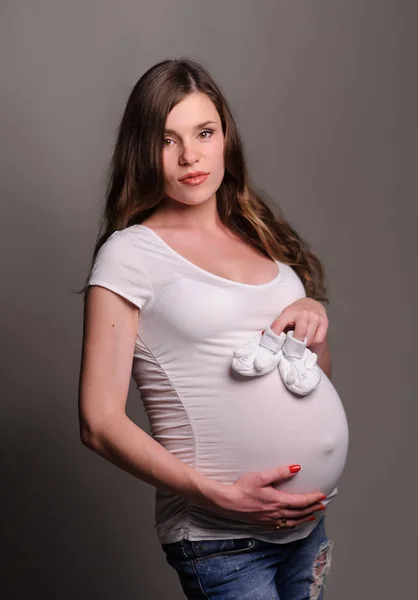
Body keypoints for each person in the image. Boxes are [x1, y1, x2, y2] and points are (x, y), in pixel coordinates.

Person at [78, 57, 349, 599]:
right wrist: (220, 495)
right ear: (143, 150)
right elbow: (99, 422)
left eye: (204, 133)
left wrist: (315, 324)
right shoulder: (129, 255)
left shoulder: (265, 240)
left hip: (305, 528)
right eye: (168, 139)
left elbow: (311, 379)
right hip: (220, 538)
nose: (190, 156)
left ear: (226, 137)